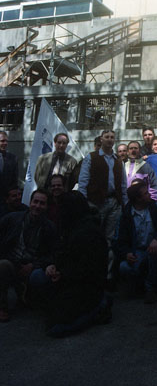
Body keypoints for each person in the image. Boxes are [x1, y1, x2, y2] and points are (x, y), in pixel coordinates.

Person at [44, 191, 111, 337]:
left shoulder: (88, 233)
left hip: (87, 286)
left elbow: (88, 269)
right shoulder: (71, 228)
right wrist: (54, 266)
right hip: (71, 280)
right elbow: (62, 252)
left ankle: (100, 308)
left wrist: (63, 274)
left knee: (57, 328)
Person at [78, 129, 127, 281]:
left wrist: (124, 203)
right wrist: (84, 203)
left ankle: (107, 275)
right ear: (101, 139)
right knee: (93, 238)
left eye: (112, 137)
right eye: (107, 137)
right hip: (95, 203)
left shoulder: (118, 160)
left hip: (114, 203)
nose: (110, 139)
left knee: (110, 240)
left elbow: (123, 185)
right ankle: (92, 274)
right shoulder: (91, 157)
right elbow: (83, 182)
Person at [0, 189, 56, 322]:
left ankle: (27, 294)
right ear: (30, 203)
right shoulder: (12, 219)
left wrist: (34, 265)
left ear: (46, 206)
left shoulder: (50, 227)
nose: (37, 206)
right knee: (3, 266)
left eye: (42, 203)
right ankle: (2, 306)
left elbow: (53, 253)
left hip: (33, 266)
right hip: (12, 262)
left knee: (39, 278)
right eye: (35, 202)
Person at [114, 177, 157, 303]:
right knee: (124, 267)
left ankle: (151, 289)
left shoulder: (155, 207)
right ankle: (137, 286)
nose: (149, 195)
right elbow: (118, 240)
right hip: (137, 250)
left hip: (154, 247)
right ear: (138, 199)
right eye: (145, 193)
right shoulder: (126, 214)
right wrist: (126, 253)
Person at [0, 130, 19, 204]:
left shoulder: (13, 158)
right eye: (2, 141)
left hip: (6, 200)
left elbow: (14, 180)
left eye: (6, 141)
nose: (5, 143)